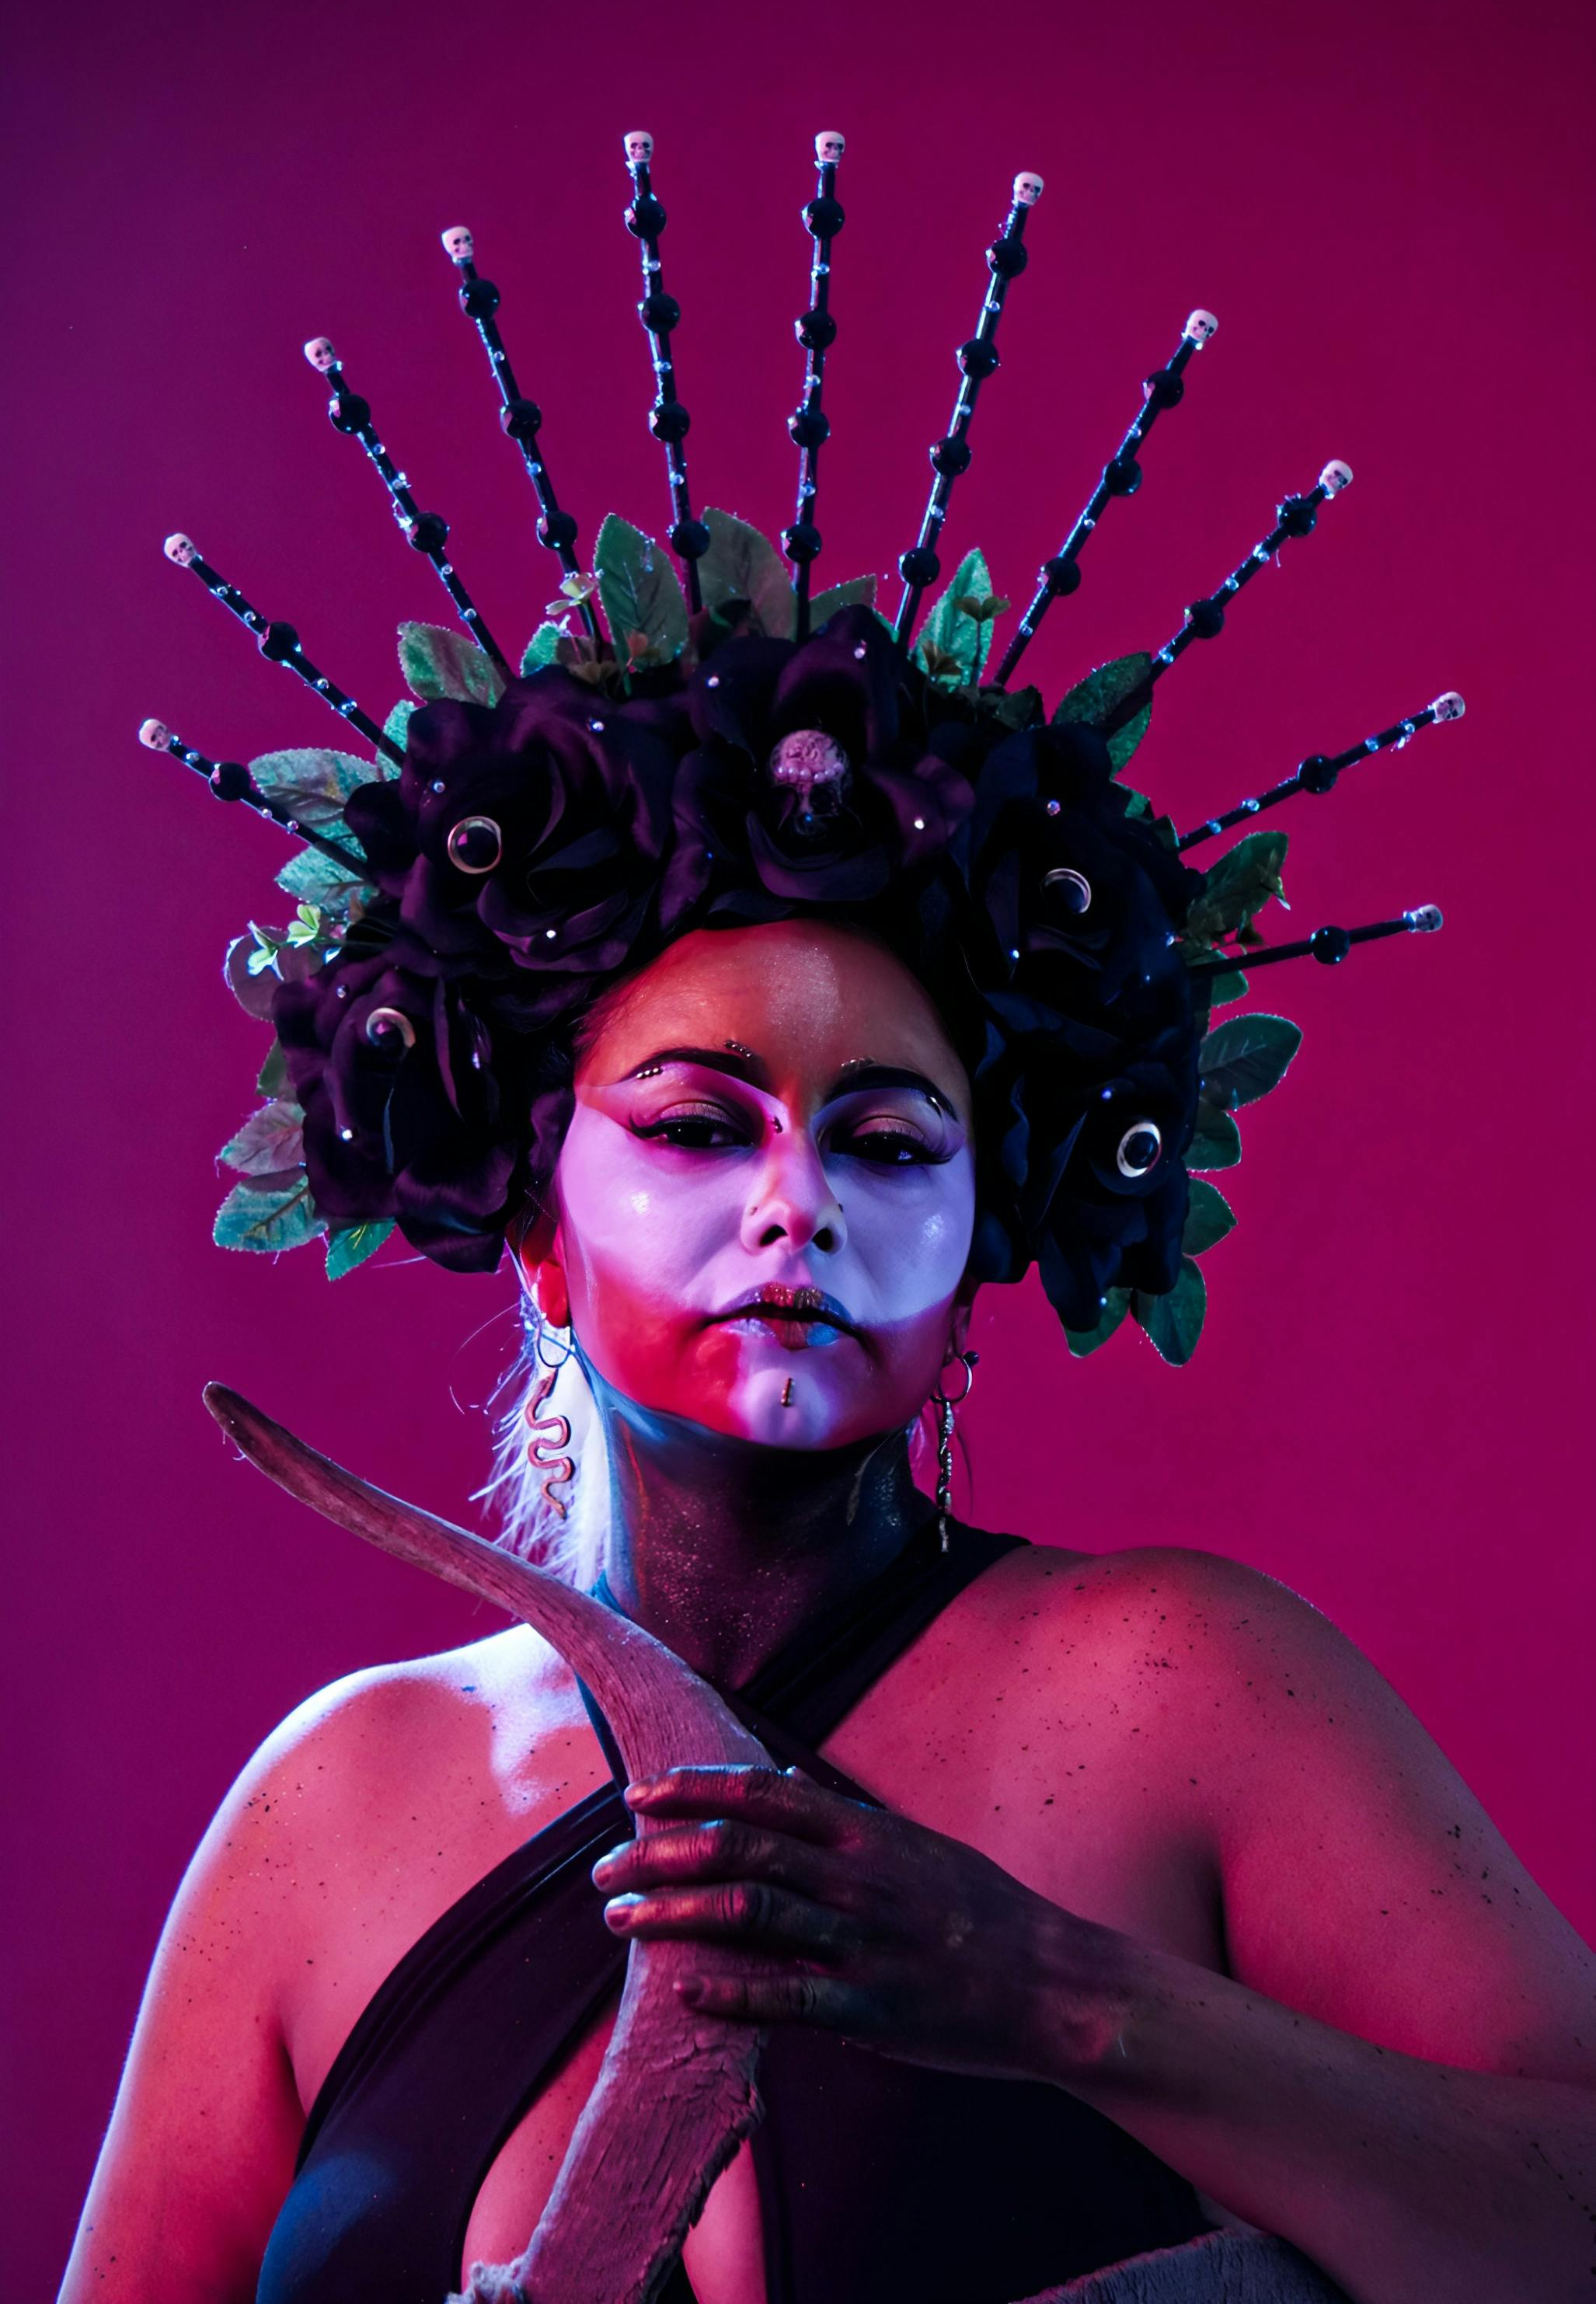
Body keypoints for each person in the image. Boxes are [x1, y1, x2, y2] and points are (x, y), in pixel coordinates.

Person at [62, 140, 1595, 2303]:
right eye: (698, 1130)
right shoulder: (337, 1802)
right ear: (530, 1219)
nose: (796, 1204)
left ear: (981, 1240)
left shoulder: (1182, 1688)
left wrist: (1064, 2000)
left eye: (885, 1149)